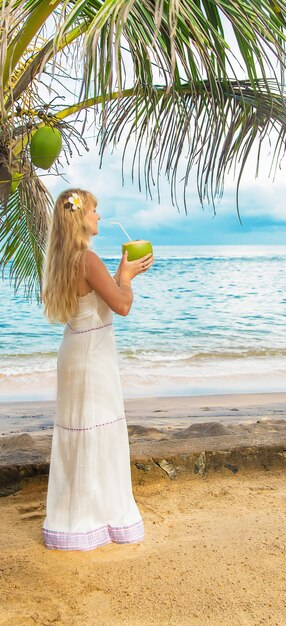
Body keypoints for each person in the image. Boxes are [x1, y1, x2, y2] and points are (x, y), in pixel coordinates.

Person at [41, 188, 154, 551]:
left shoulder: (61, 259)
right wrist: (127, 276)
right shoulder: (87, 260)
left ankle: (72, 519)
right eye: (94, 211)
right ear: (80, 218)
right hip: (93, 355)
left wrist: (120, 272)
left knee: (78, 433)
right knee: (98, 432)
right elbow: (121, 305)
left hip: (73, 349)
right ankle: (99, 518)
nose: (99, 217)